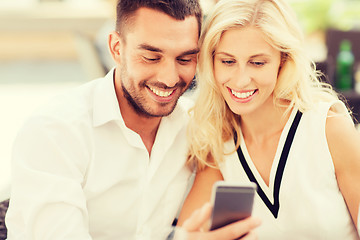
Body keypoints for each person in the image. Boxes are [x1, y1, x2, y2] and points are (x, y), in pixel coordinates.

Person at [5, 0, 260, 239]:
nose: (170, 78)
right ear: (116, 48)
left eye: (184, 59)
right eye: (151, 57)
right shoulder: (55, 132)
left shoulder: (195, 129)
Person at [177, 0, 360, 238]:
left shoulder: (327, 125)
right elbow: (188, 232)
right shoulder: (217, 143)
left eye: (257, 62)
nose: (241, 80)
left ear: (283, 61)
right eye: (228, 61)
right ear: (211, 63)